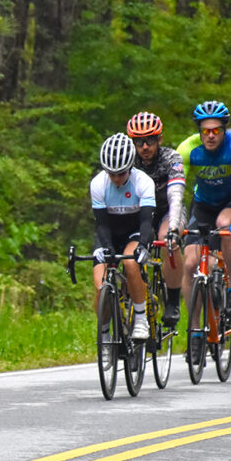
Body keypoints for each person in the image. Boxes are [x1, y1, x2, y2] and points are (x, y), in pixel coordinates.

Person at [176, 100, 231, 319]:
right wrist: (175, 223)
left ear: (224, 130)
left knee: (225, 224)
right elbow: (177, 190)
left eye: (216, 130)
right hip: (203, 205)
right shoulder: (188, 149)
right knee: (190, 264)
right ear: (199, 132)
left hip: (230, 202)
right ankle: (195, 330)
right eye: (205, 131)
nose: (210, 136)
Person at [90, 133, 156, 341]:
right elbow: (101, 224)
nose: (116, 178)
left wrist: (143, 246)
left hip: (135, 231)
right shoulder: (98, 183)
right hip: (108, 231)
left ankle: (140, 319)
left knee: (130, 263)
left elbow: (147, 222)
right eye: (111, 173)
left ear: (130, 167)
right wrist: (107, 249)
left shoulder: (143, 181)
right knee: (101, 286)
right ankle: (105, 334)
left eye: (121, 173)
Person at [126, 111, 186, 327]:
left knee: (167, 241)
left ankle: (173, 299)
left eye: (150, 140)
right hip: (140, 213)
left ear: (159, 139)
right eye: (139, 141)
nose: (144, 147)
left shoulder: (171, 158)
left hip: (167, 211)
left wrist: (173, 229)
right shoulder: (129, 160)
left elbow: (176, 195)